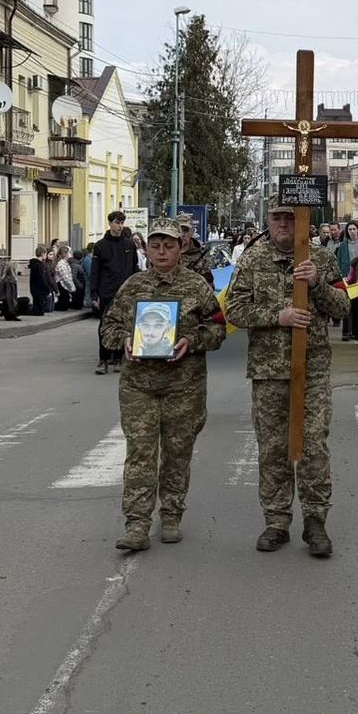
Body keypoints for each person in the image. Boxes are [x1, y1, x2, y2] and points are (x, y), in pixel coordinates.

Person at [225, 204, 352, 557]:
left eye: (290, 218)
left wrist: (318, 285)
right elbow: (233, 309)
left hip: (311, 369)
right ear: (268, 222)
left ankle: (315, 520)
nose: (283, 225)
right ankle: (277, 520)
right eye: (276, 218)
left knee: (313, 446)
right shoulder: (253, 259)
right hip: (268, 372)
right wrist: (276, 316)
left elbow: (343, 307)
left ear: (302, 223)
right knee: (272, 448)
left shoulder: (322, 259)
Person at [99, 217, 229, 552]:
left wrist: (190, 339)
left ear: (180, 247)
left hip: (183, 385)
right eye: (155, 245)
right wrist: (125, 340)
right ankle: (137, 524)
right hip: (139, 385)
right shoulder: (132, 286)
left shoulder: (197, 286)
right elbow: (108, 327)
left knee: (177, 452)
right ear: (146, 248)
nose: (161, 251)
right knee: (141, 453)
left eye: (168, 245)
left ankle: (171, 515)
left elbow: (218, 328)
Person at [89, 211, 140, 374]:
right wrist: (94, 293)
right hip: (107, 293)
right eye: (117, 223)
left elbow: (134, 268)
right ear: (110, 223)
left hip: (125, 292)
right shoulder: (100, 246)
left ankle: (118, 358)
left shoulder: (129, 245)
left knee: (124, 325)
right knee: (105, 326)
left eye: (122, 223)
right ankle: (103, 359)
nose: (120, 226)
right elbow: (95, 272)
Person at [28, 246, 53, 317]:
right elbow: (42, 279)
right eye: (45, 254)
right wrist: (47, 288)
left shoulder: (37, 264)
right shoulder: (38, 265)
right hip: (39, 290)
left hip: (35, 289)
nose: (46, 256)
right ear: (42, 254)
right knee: (39, 311)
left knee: (39, 310)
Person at [53, 245, 78, 309]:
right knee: (63, 306)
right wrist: (72, 287)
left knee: (64, 306)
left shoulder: (64, 263)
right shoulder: (61, 263)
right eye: (69, 253)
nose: (70, 254)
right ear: (65, 254)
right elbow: (65, 277)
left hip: (64, 286)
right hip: (62, 286)